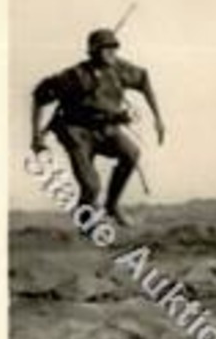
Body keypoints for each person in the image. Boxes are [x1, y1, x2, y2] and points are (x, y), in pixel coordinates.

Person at [31, 28, 166, 226]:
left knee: (131, 153)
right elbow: (39, 96)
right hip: (76, 132)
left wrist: (158, 119)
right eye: (106, 48)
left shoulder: (120, 68)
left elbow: (144, 81)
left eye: (114, 48)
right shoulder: (74, 76)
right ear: (94, 51)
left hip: (106, 129)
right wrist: (35, 136)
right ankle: (86, 223)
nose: (112, 53)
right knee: (91, 187)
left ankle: (112, 206)